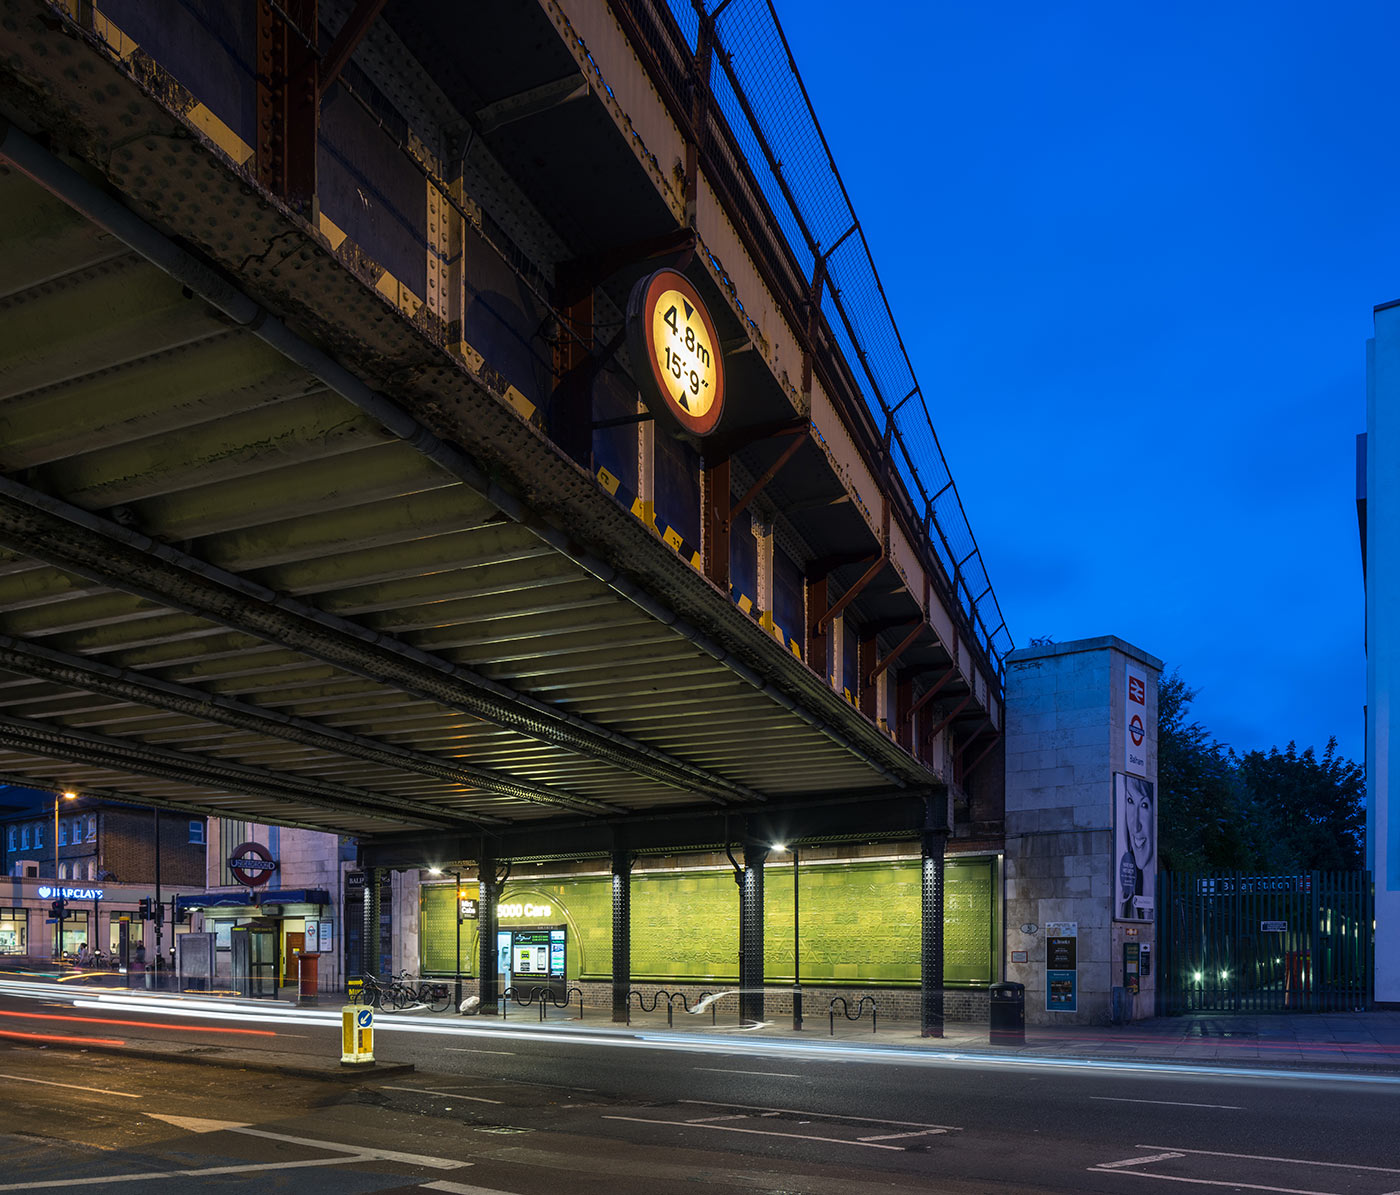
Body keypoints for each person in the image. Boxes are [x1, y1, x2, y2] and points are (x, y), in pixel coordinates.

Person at [1117, 775, 1156, 920]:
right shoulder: (1124, 897)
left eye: (1144, 805)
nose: (1135, 826)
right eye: (1130, 801)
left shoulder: (1165, 895)